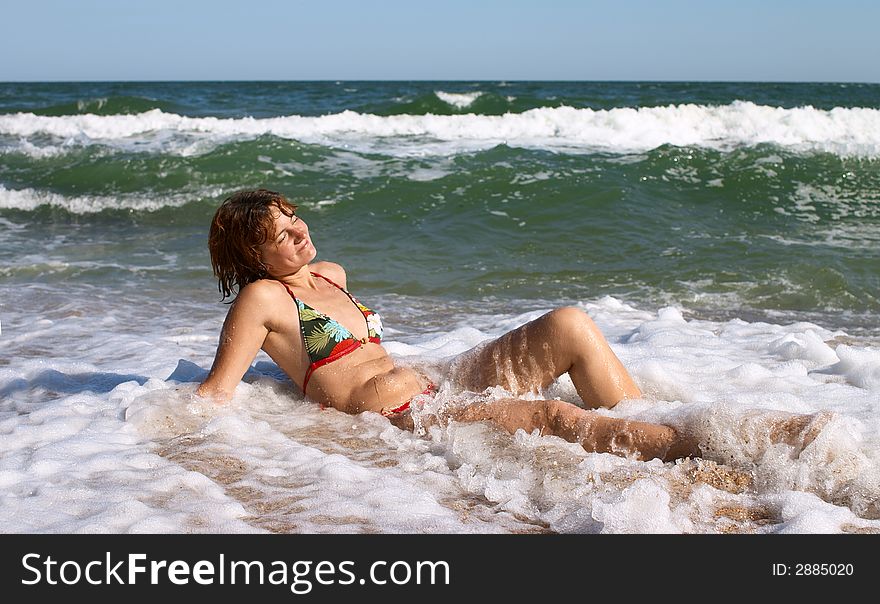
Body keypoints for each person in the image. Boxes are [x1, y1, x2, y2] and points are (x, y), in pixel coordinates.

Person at [195, 189, 819, 463]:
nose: (302, 231)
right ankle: (706, 448)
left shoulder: (331, 273)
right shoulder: (261, 299)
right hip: (403, 417)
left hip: (436, 381)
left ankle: (657, 424)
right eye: (283, 233)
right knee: (553, 418)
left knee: (570, 323)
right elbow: (217, 394)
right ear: (257, 254)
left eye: (295, 218)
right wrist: (164, 443)